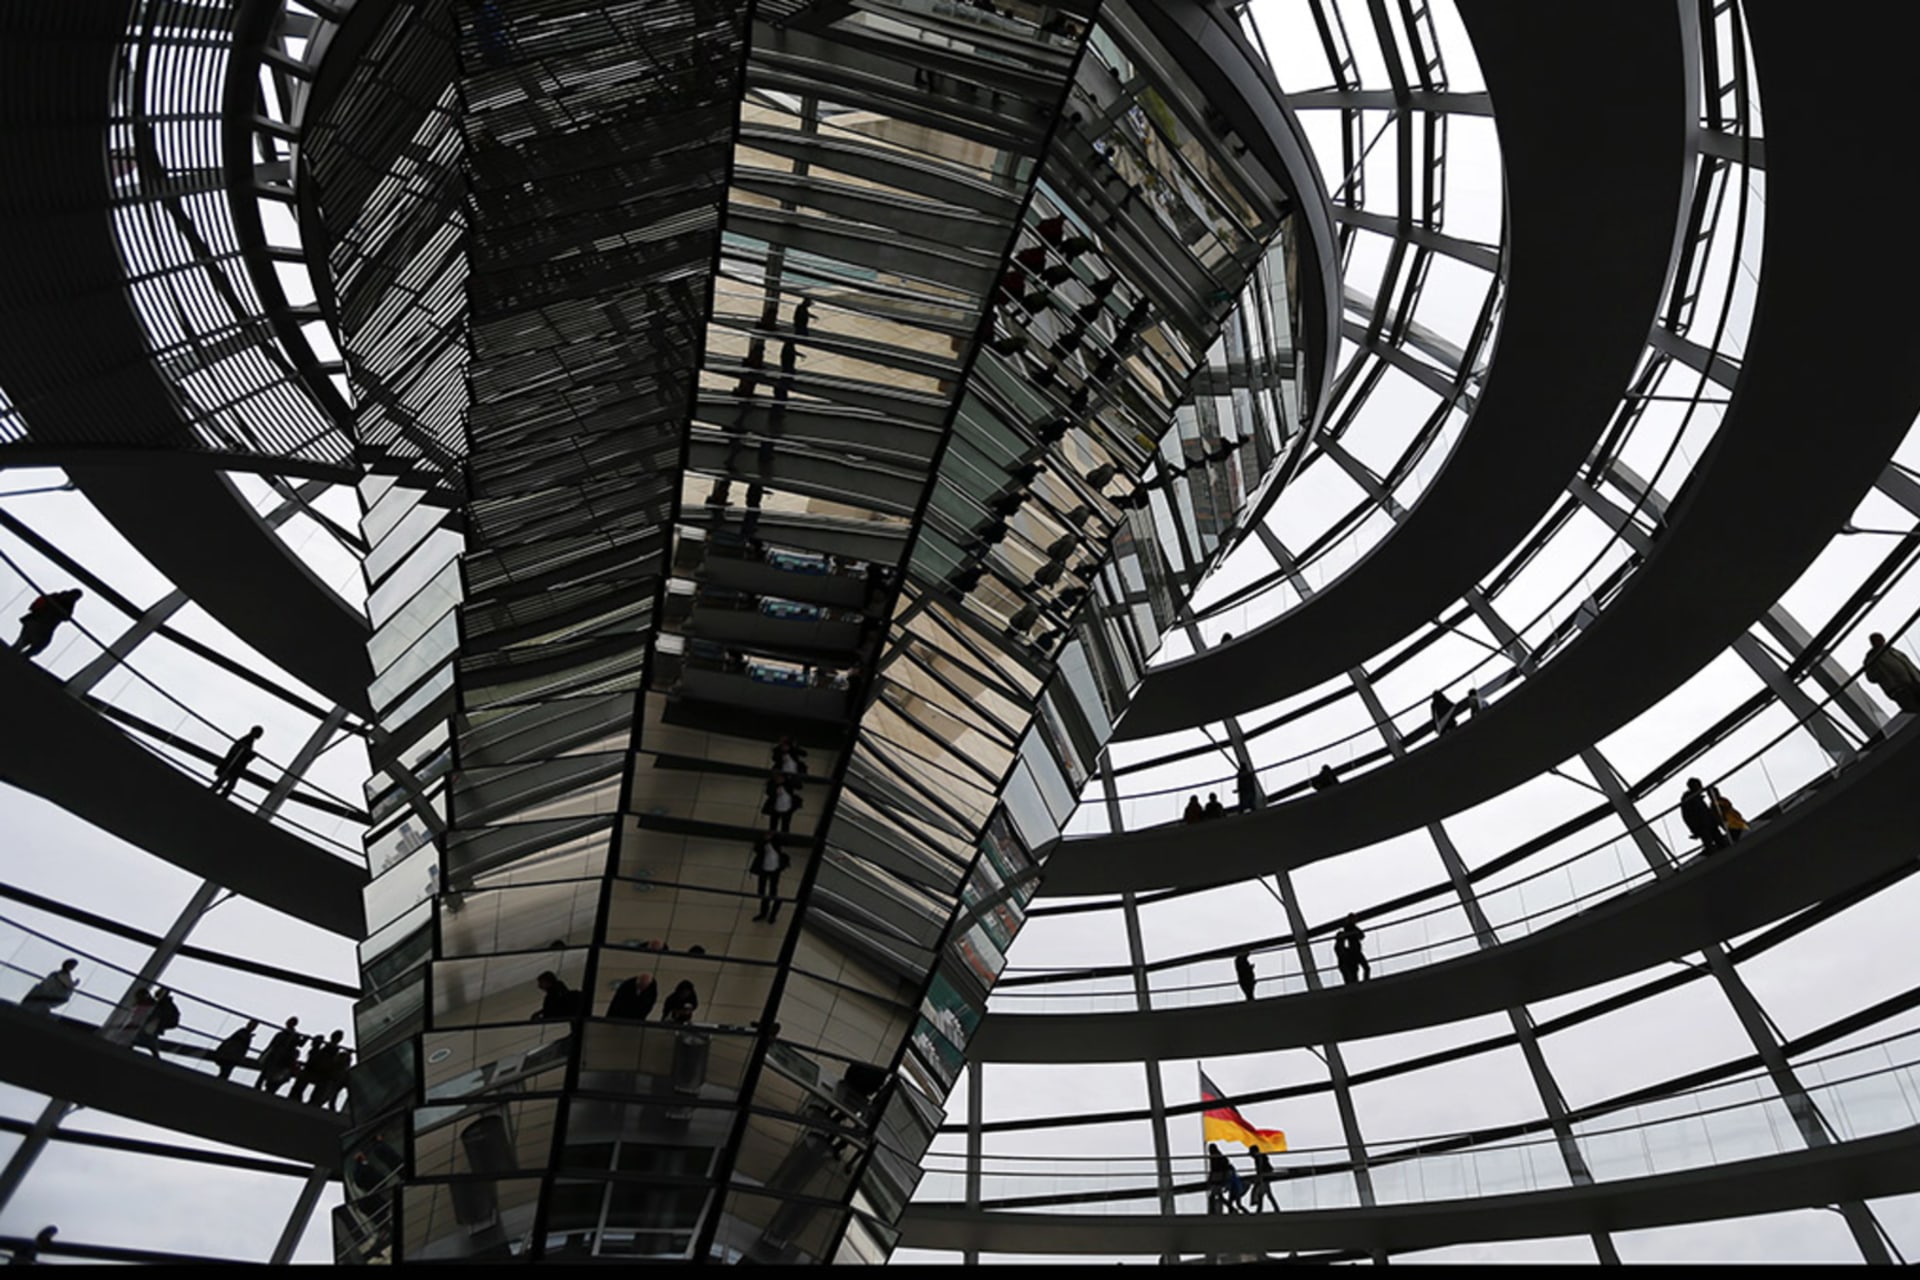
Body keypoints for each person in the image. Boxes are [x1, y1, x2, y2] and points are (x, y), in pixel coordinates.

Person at [12, 589, 80, 660]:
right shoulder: (57, 597)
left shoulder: (68, 606)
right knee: (25, 641)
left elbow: (66, 618)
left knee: (37, 644)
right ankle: (17, 655)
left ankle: (22, 656)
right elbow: (38, 603)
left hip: (44, 627)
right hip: (37, 621)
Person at [1865, 632, 1920, 712]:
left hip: (1914, 682)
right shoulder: (1872, 659)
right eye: (1876, 640)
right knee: (1915, 709)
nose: (1880, 641)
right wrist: (1881, 673)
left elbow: (1909, 665)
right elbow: (1871, 677)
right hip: (1900, 690)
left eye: (1881, 638)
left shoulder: (1893, 651)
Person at [1680, 777, 1730, 854]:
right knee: (1710, 843)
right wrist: (1694, 829)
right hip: (1702, 826)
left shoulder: (1697, 799)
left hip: (1709, 824)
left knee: (1720, 841)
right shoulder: (1690, 799)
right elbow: (1688, 816)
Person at [210, 725, 263, 798]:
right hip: (235, 765)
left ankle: (215, 791)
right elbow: (242, 754)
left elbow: (237, 751)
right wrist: (251, 756)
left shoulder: (246, 739)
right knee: (229, 782)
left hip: (234, 764)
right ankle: (220, 794)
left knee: (226, 780)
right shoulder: (247, 740)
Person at [255, 1017, 303, 1094]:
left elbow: (299, 1044)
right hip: (276, 1055)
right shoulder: (283, 1034)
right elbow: (272, 1045)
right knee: (267, 1071)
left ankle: (266, 1087)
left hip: (281, 1058)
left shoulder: (291, 1035)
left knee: (271, 1072)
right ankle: (261, 1086)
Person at [751, 833, 789, 924]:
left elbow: (782, 841)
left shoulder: (776, 840)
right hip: (764, 869)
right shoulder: (762, 842)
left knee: (773, 892)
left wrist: (772, 838)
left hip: (775, 870)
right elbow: (757, 849)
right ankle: (763, 913)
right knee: (762, 892)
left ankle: (772, 915)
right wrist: (765, 840)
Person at [134, 987, 180, 1057]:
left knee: (149, 1035)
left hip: (160, 1021)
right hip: (159, 1021)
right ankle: (154, 1053)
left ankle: (154, 1053)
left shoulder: (161, 1004)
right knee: (149, 1036)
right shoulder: (160, 1003)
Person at [1206, 1143, 1248, 1215]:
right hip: (1219, 1179)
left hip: (1218, 1179)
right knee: (1220, 1197)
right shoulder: (1218, 1157)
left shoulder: (1216, 1157)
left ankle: (1214, 1212)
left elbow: (1214, 1169)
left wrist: (1211, 1179)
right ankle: (1232, 1210)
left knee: (1214, 1196)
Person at [1334, 915, 1369, 984]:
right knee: (1361, 969)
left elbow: (1361, 936)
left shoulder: (1348, 930)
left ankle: (1363, 982)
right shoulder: (1351, 928)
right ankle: (1365, 982)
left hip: (1351, 954)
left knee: (1354, 972)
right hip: (1354, 952)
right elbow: (1362, 936)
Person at [1247, 1144, 1277, 1213]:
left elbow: (1260, 1168)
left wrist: (1259, 1176)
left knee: (1263, 1193)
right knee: (1266, 1193)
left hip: (1265, 1176)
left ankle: (1260, 1209)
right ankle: (1273, 1209)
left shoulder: (1259, 1157)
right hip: (1266, 1176)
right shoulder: (1260, 1157)